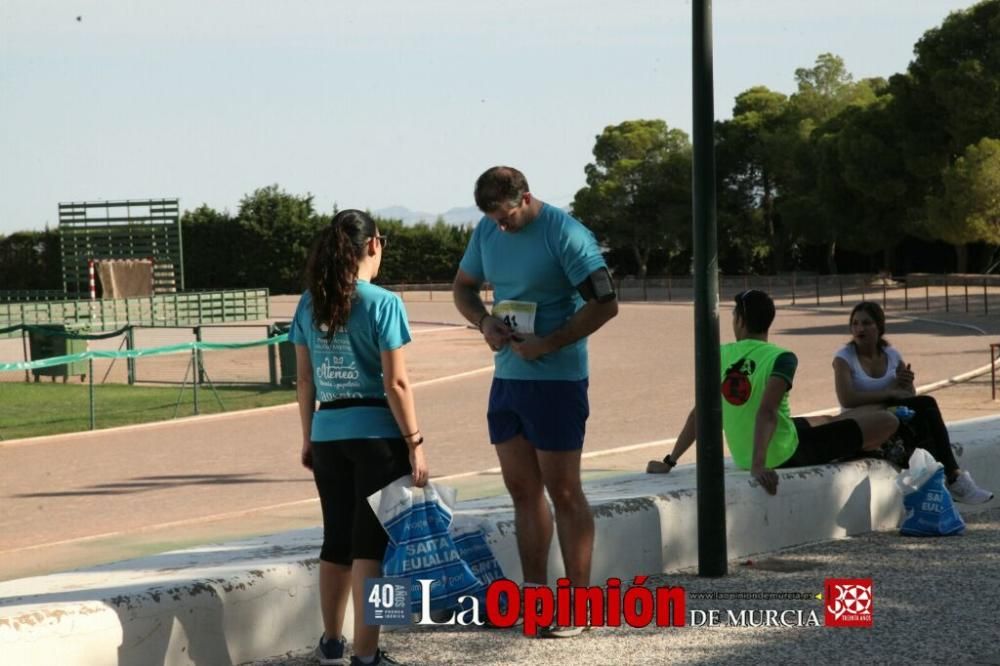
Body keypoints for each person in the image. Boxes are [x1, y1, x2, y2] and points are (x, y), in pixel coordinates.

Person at [452, 166, 618, 637]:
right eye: (492, 219)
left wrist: (550, 342)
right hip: (508, 379)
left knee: (563, 491)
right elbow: (462, 288)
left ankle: (579, 607)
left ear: (525, 198)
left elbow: (606, 304)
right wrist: (483, 322)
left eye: (505, 217)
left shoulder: (565, 233)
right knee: (523, 491)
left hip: (558, 383)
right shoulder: (487, 229)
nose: (499, 226)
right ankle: (534, 599)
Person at [290, 209, 429, 666]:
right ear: (374, 244)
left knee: (336, 541)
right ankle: (367, 654)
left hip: (328, 433)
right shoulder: (384, 303)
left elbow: (305, 382)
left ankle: (331, 642)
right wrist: (415, 442)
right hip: (378, 438)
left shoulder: (310, 303)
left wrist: (309, 437)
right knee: (374, 548)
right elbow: (397, 384)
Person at [647, 290, 900, 496]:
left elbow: (699, 413)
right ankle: (859, 447)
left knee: (826, 420)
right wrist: (759, 466)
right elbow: (766, 411)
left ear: (740, 321)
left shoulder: (718, 354)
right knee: (889, 421)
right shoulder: (782, 358)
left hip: (747, 454)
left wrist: (670, 461)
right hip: (786, 454)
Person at [832, 301, 992, 503]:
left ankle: (953, 477)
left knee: (926, 407)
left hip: (891, 418)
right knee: (925, 410)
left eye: (866, 323)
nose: (859, 329)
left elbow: (908, 396)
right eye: (855, 324)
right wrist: (890, 393)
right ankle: (954, 478)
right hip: (865, 425)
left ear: (879, 327)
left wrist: (907, 385)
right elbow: (847, 398)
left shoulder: (891, 355)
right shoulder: (844, 358)